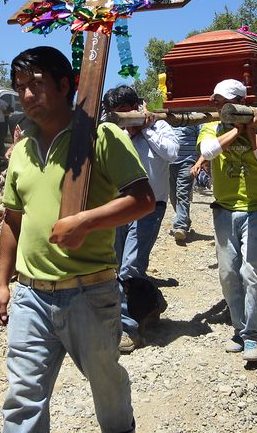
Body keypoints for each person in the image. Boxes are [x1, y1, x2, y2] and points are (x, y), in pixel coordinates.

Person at [0, 46, 153, 432]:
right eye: (20, 87)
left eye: (36, 84)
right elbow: (12, 220)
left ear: (64, 85)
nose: (27, 94)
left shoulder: (100, 135)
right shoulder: (22, 150)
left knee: (106, 386)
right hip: (30, 295)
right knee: (23, 396)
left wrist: (84, 221)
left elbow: (143, 199)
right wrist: (1, 284)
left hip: (89, 294)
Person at [198, 79, 257, 363]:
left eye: (223, 102)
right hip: (224, 209)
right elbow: (207, 152)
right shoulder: (211, 128)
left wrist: (252, 131)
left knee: (252, 271)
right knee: (228, 274)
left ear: (241, 103)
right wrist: (236, 130)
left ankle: (254, 335)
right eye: (216, 101)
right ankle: (239, 329)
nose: (217, 106)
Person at [102, 85, 178, 353]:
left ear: (136, 107)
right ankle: (153, 300)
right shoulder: (114, 132)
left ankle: (129, 329)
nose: (123, 118)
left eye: (126, 112)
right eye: (116, 113)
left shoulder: (160, 127)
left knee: (130, 267)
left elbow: (172, 153)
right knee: (117, 265)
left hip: (150, 207)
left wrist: (146, 129)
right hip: (119, 206)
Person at [169, 124, 200, 241]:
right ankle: (184, 218)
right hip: (169, 162)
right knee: (172, 194)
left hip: (188, 161)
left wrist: (199, 162)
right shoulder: (168, 118)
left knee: (182, 192)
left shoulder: (196, 119)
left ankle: (180, 226)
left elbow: (201, 139)